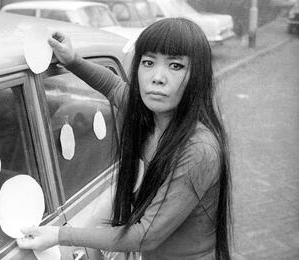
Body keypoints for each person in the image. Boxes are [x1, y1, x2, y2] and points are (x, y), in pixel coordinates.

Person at [17, 18, 232, 260]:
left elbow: (145, 235)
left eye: (175, 66)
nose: (157, 77)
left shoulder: (198, 149)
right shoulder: (148, 117)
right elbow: (111, 85)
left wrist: (59, 235)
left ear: (197, 76)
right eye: (148, 63)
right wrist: (73, 60)